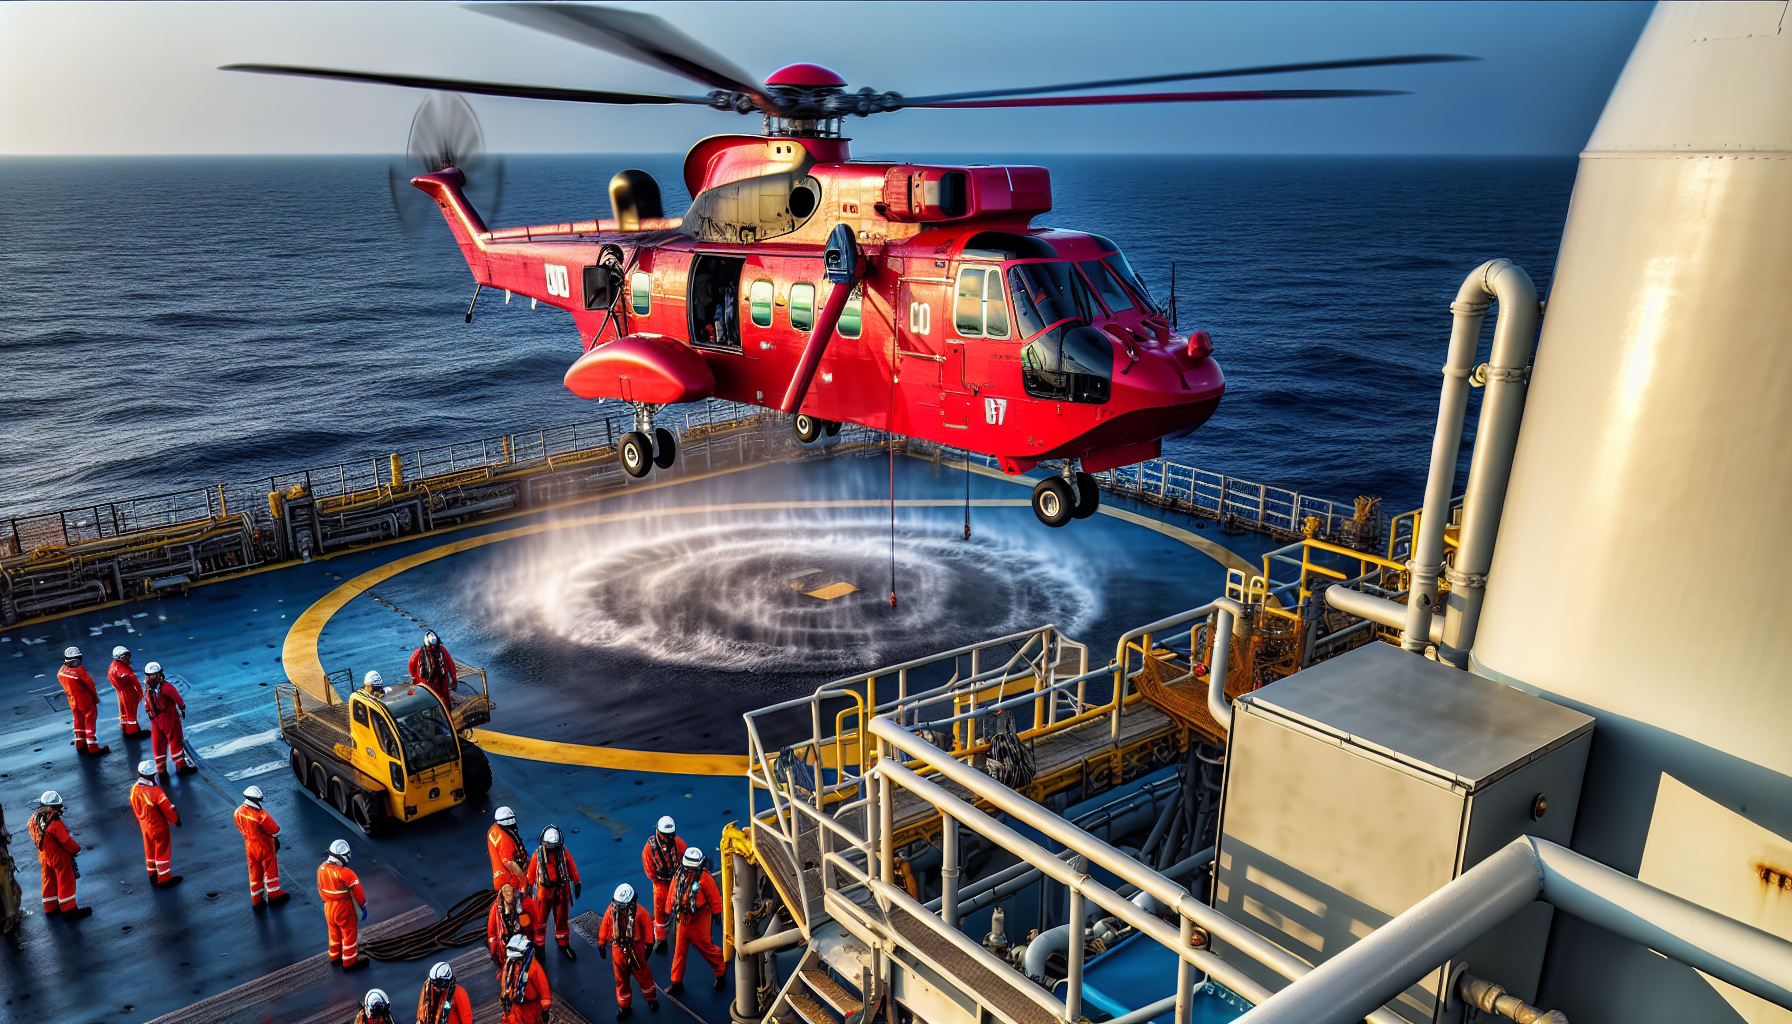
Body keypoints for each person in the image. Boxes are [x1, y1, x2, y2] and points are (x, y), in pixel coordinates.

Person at [667, 847, 726, 993]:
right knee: (679, 951)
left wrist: (717, 914)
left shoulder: (705, 878)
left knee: (706, 948)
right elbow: (672, 893)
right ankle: (676, 982)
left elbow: (714, 897)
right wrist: (669, 911)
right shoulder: (679, 876)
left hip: (700, 918)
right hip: (683, 919)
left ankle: (721, 973)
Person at [598, 883, 658, 1021]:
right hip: (618, 950)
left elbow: (649, 933)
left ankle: (651, 999)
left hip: (635, 949)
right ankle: (624, 1006)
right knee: (621, 980)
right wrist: (601, 943)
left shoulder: (641, 913)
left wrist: (648, 947)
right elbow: (605, 926)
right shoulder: (612, 911)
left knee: (644, 976)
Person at [28, 791, 87, 919]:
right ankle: (69, 909)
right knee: (66, 879)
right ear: (54, 807)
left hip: (43, 855)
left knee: (48, 879)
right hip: (58, 855)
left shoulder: (34, 819)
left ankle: (50, 906)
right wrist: (76, 850)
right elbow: (65, 840)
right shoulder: (54, 821)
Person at [525, 824, 580, 959]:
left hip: (561, 890)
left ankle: (563, 942)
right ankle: (539, 946)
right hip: (544, 891)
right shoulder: (537, 855)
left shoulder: (563, 852)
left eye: (553, 844)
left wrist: (577, 882)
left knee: (562, 918)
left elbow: (571, 866)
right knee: (539, 919)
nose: (550, 847)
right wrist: (527, 889)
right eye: (548, 844)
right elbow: (531, 873)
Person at [234, 785, 290, 908]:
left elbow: (239, 827)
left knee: (254, 871)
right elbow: (274, 829)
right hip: (264, 846)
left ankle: (257, 899)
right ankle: (274, 893)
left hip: (249, 845)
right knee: (270, 869)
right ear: (255, 799)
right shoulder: (261, 815)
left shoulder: (238, 812)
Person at [129, 759, 182, 887]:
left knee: (150, 849)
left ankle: (152, 873)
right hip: (158, 826)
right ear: (153, 775)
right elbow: (167, 809)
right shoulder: (156, 791)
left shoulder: (134, 790)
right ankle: (164, 877)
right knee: (162, 848)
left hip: (145, 826)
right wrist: (176, 820)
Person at [319, 839, 370, 970]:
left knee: (334, 932)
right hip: (343, 908)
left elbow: (320, 889)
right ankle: (350, 961)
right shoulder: (346, 873)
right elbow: (359, 893)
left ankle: (335, 956)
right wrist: (363, 906)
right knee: (349, 933)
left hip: (328, 907)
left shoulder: (321, 869)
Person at [641, 815, 685, 951]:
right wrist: (661, 878)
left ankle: (682, 932)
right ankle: (661, 938)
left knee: (682, 904)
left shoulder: (678, 843)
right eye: (665, 836)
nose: (668, 839)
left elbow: (685, 861)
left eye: (670, 835)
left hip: (676, 879)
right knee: (660, 909)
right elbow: (650, 873)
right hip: (660, 882)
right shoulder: (649, 849)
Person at [143, 662, 195, 777]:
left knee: (158, 742)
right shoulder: (165, 686)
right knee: (175, 739)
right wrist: (182, 708)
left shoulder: (148, 688)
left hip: (154, 719)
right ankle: (181, 766)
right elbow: (177, 698)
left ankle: (161, 771)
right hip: (168, 717)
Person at [57, 647, 109, 756]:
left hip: (72, 701)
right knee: (90, 722)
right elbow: (90, 685)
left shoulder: (61, 671)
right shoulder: (79, 671)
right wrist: (95, 698)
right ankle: (93, 747)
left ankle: (80, 743)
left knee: (78, 721)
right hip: (85, 700)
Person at [499, 933, 553, 1024]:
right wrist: (505, 1000)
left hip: (531, 1009)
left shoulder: (533, 968)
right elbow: (505, 985)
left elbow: (543, 988)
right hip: (516, 1008)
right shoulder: (509, 967)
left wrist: (545, 1009)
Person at [487, 881, 541, 962]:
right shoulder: (495, 909)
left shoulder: (526, 903)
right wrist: (494, 950)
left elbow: (536, 925)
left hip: (524, 949)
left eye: (511, 903)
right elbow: (492, 933)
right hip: (505, 951)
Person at [407, 630, 457, 706]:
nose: (433, 649)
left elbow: (450, 665)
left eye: (434, 646)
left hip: (441, 681)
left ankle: (447, 713)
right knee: (427, 703)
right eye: (430, 647)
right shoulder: (418, 653)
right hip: (426, 683)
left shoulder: (442, 650)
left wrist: (454, 679)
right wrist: (415, 677)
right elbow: (411, 665)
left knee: (446, 702)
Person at [488, 805, 528, 891]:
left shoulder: (493, 829)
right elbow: (509, 863)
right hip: (507, 879)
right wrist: (523, 878)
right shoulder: (503, 838)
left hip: (499, 874)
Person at [108, 646, 145, 737]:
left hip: (120, 691)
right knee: (131, 712)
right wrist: (139, 692)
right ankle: (132, 731)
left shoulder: (113, 666)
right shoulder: (124, 670)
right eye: (124, 656)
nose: (127, 658)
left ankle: (124, 726)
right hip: (128, 691)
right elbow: (134, 681)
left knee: (124, 711)